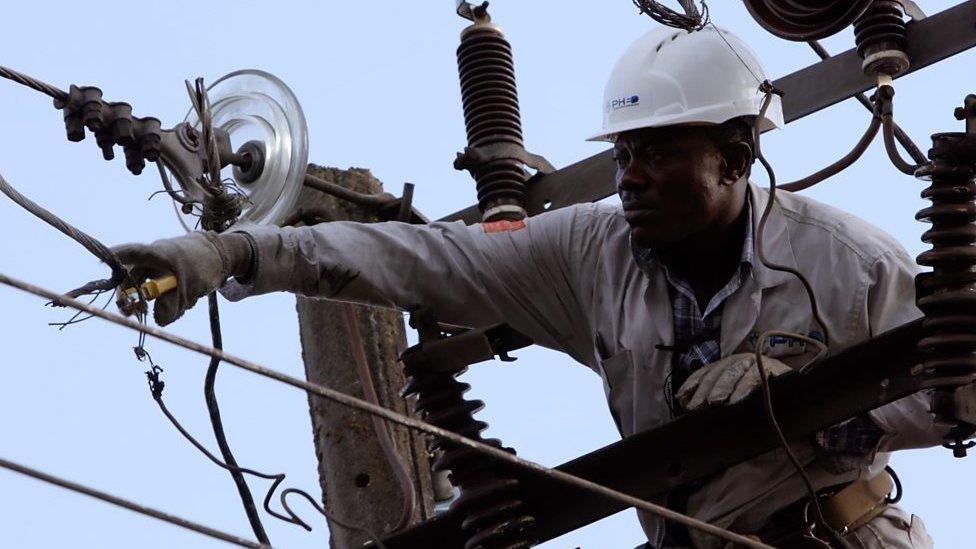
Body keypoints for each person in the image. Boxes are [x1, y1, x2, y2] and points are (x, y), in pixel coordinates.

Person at [114, 26, 945, 548]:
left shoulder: (845, 261)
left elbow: (960, 386)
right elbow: (415, 259)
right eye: (624, 155)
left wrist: (814, 402)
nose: (632, 179)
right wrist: (234, 254)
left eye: (658, 153)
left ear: (733, 152)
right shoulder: (592, 252)